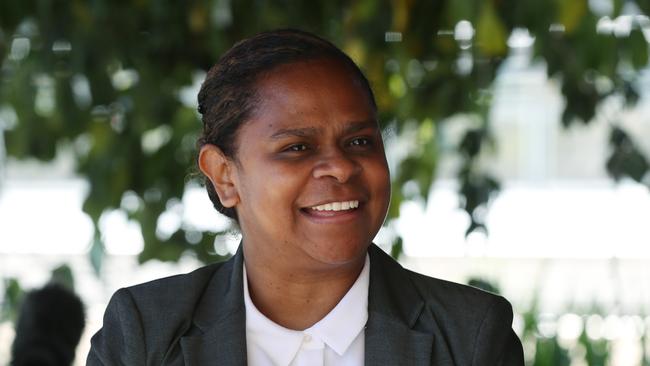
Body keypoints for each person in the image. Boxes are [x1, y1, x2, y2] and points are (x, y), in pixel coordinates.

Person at [87, 29, 524, 365]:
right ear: (224, 176)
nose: (341, 167)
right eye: (298, 147)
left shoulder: (470, 337)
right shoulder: (145, 332)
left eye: (359, 142)